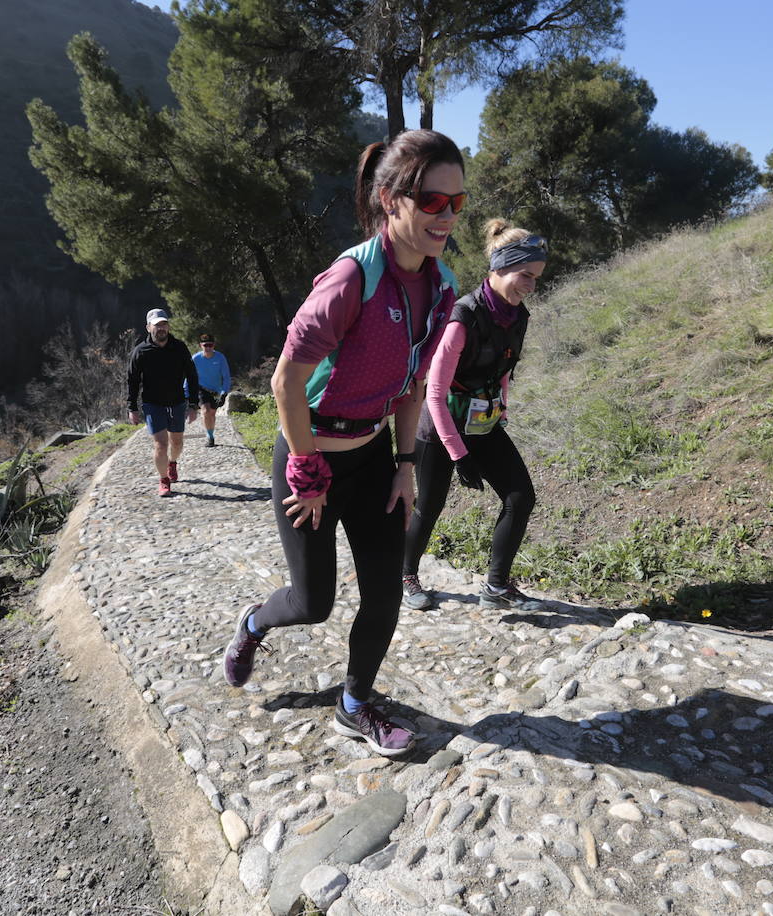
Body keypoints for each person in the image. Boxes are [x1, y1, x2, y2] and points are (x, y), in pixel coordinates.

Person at [221, 129, 466, 756]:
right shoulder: (351, 279)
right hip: (310, 457)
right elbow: (285, 382)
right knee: (313, 602)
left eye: (456, 203)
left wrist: (406, 463)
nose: (446, 216)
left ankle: (355, 702)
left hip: (374, 457)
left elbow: (411, 387)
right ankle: (252, 624)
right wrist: (305, 468)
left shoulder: (439, 289)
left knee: (385, 591)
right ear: (390, 200)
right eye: (432, 202)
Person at [401, 218, 547, 612]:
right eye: (525, 274)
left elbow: (502, 367)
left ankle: (496, 587)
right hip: (439, 426)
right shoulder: (462, 318)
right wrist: (459, 455)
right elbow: (434, 392)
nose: (530, 285)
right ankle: (406, 574)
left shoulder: (518, 316)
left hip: (482, 421)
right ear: (498, 268)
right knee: (429, 505)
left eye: (536, 277)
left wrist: (501, 408)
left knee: (521, 497)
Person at [126, 308, 199, 497]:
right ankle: (164, 479)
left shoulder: (179, 347)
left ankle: (172, 463)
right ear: (148, 327)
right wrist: (132, 407)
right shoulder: (140, 352)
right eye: (157, 325)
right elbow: (132, 381)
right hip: (153, 403)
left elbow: (191, 375)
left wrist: (193, 404)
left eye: (164, 324)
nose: (161, 328)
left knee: (177, 443)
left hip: (177, 402)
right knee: (160, 444)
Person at [192, 333, 231, 447]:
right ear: (201, 345)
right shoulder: (195, 359)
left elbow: (226, 376)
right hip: (201, 389)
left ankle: (211, 432)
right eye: (205, 345)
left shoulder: (220, 358)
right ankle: (209, 437)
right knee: (205, 411)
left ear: (214, 345)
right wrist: (186, 393)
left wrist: (224, 393)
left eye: (210, 345)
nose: (208, 348)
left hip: (216, 390)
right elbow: (189, 376)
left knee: (212, 414)